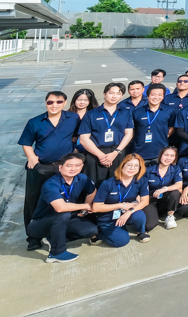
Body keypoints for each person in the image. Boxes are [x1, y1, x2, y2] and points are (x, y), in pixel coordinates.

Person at [19, 90, 80, 245]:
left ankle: (61, 231)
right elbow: (26, 142)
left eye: (59, 102)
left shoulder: (73, 118)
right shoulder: (35, 122)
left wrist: (73, 153)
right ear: (46, 103)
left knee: (64, 198)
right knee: (33, 200)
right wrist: (32, 158)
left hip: (63, 168)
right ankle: (33, 237)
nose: (54, 105)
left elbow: (75, 136)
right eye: (50, 102)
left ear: (64, 103)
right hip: (41, 168)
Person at [26, 153, 98, 263]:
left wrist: (84, 211)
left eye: (77, 165)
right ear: (60, 167)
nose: (73, 168)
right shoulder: (51, 184)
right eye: (69, 165)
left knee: (90, 230)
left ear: (82, 167)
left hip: (66, 218)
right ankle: (56, 253)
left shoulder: (82, 178)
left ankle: (52, 238)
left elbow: (92, 191)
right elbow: (60, 208)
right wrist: (85, 206)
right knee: (63, 214)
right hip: (40, 223)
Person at [78, 82, 134, 184]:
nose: (114, 96)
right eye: (111, 93)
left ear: (122, 96)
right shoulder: (91, 114)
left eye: (118, 93)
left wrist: (116, 152)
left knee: (116, 184)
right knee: (94, 186)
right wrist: (101, 156)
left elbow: (129, 134)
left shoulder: (126, 112)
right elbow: (84, 139)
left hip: (117, 153)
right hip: (95, 154)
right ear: (104, 94)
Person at [92, 153, 150, 245]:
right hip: (109, 216)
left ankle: (141, 231)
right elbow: (96, 207)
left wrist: (129, 211)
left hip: (126, 212)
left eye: (136, 166)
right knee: (122, 241)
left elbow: (145, 202)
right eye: (129, 165)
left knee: (139, 215)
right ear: (122, 165)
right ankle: (99, 232)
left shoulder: (141, 181)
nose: (132, 168)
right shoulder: (108, 183)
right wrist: (121, 205)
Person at [144, 146, 183, 231]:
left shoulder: (175, 168)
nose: (168, 158)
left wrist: (164, 189)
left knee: (175, 192)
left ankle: (170, 216)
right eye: (166, 155)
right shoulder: (148, 170)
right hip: (150, 200)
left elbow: (179, 185)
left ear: (175, 158)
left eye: (172, 156)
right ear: (160, 155)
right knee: (149, 226)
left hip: (164, 199)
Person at [132, 85, 173, 164]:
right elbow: (133, 130)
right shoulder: (137, 112)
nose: (156, 97)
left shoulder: (169, 111)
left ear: (163, 97)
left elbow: (172, 126)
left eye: (160, 95)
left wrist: (165, 135)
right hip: (140, 151)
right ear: (147, 96)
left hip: (160, 151)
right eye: (153, 94)